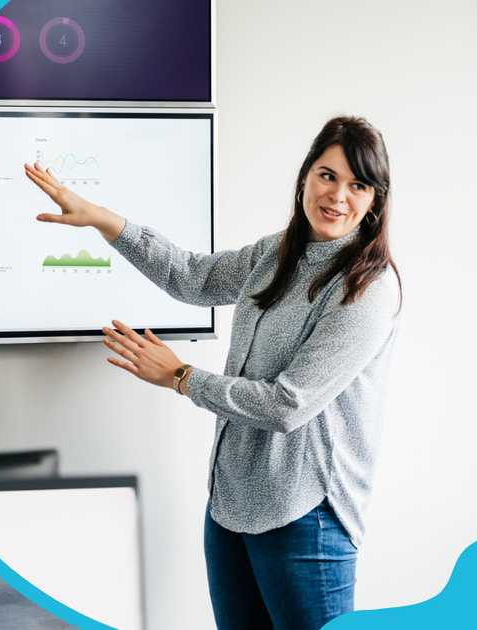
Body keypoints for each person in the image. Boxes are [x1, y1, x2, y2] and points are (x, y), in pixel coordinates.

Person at [25, 116, 401, 630]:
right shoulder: (277, 252)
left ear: (376, 200)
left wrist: (181, 376)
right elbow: (192, 278)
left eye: (358, 185)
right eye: (327, 175)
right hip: (229, 504)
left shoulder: (367, 289)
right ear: (305, 178)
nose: (338, 196)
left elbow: (288, 405)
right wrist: (101, 219)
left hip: (305, 513)